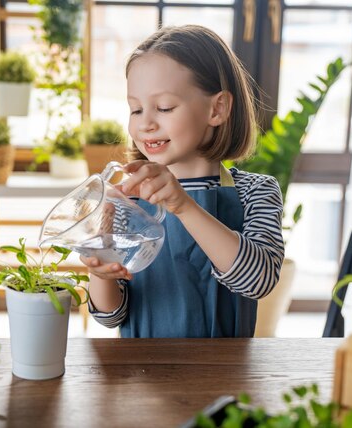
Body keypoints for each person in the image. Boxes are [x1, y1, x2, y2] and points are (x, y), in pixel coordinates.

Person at [81, 25, 284, 338]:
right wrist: (101, 274)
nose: (145, 123)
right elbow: (112, 316)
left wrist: (182, 205)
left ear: (217, 108)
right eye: (136, 109)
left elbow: (258, 281)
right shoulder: (128, 200)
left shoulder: (254, 191)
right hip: (142, 378)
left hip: (225, 377)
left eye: (164, 107)